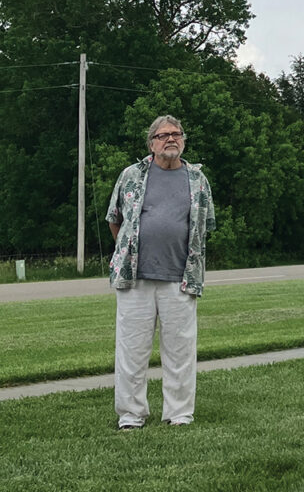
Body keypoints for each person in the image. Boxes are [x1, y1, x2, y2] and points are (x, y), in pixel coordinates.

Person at [106, 115, 216, 430]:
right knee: (131, 349)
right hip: (134, 279)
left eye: (176, 134)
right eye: (163, 134)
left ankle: (179, 414)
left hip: (181, 278)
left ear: (183, 140)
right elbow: (115, 218)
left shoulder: (197, 179)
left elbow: (205, 226)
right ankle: (131, 415)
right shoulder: (131, 175)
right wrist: (128, 250)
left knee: (180, 350)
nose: (171, 139)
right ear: (151, 142)